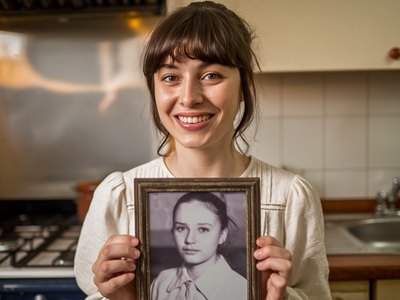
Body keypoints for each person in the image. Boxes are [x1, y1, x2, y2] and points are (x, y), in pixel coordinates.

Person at [74, 1, 331, 300]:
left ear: (244, 85)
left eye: (211, 75)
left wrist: (281, 297)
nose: (189, 97)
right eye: (170, 77)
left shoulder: (291, 198)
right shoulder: (119, 195)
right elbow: (91, 292)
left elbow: (315, 294)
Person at [150, 192, 246, 300]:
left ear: (222, 235)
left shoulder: (241, 290)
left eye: (203, 229)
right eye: (181, 228)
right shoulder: (162, 281)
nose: (189, 239)